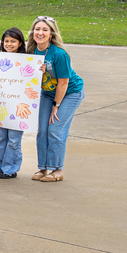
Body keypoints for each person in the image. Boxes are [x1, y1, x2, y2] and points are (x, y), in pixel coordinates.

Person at [26, 16, 84, 183]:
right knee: (43, 130)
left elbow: (63, 82)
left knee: (55, 129)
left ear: (51, 34)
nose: (40, 33)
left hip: (70, 92)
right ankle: (43, 167)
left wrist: (56, 106)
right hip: (48, 92)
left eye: (45, 30)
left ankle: (57, 169)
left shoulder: (59, 54)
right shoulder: (32, 51)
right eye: (37, 29)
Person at [0, 28, 28, 179]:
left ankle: (9, 169)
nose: (9, 44)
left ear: (20, 43)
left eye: (13, 41)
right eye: (6, 41)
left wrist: (40, 70)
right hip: (1, 105)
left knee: (13, 140)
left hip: (18, 108)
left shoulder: (27, 61)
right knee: (0, 138)